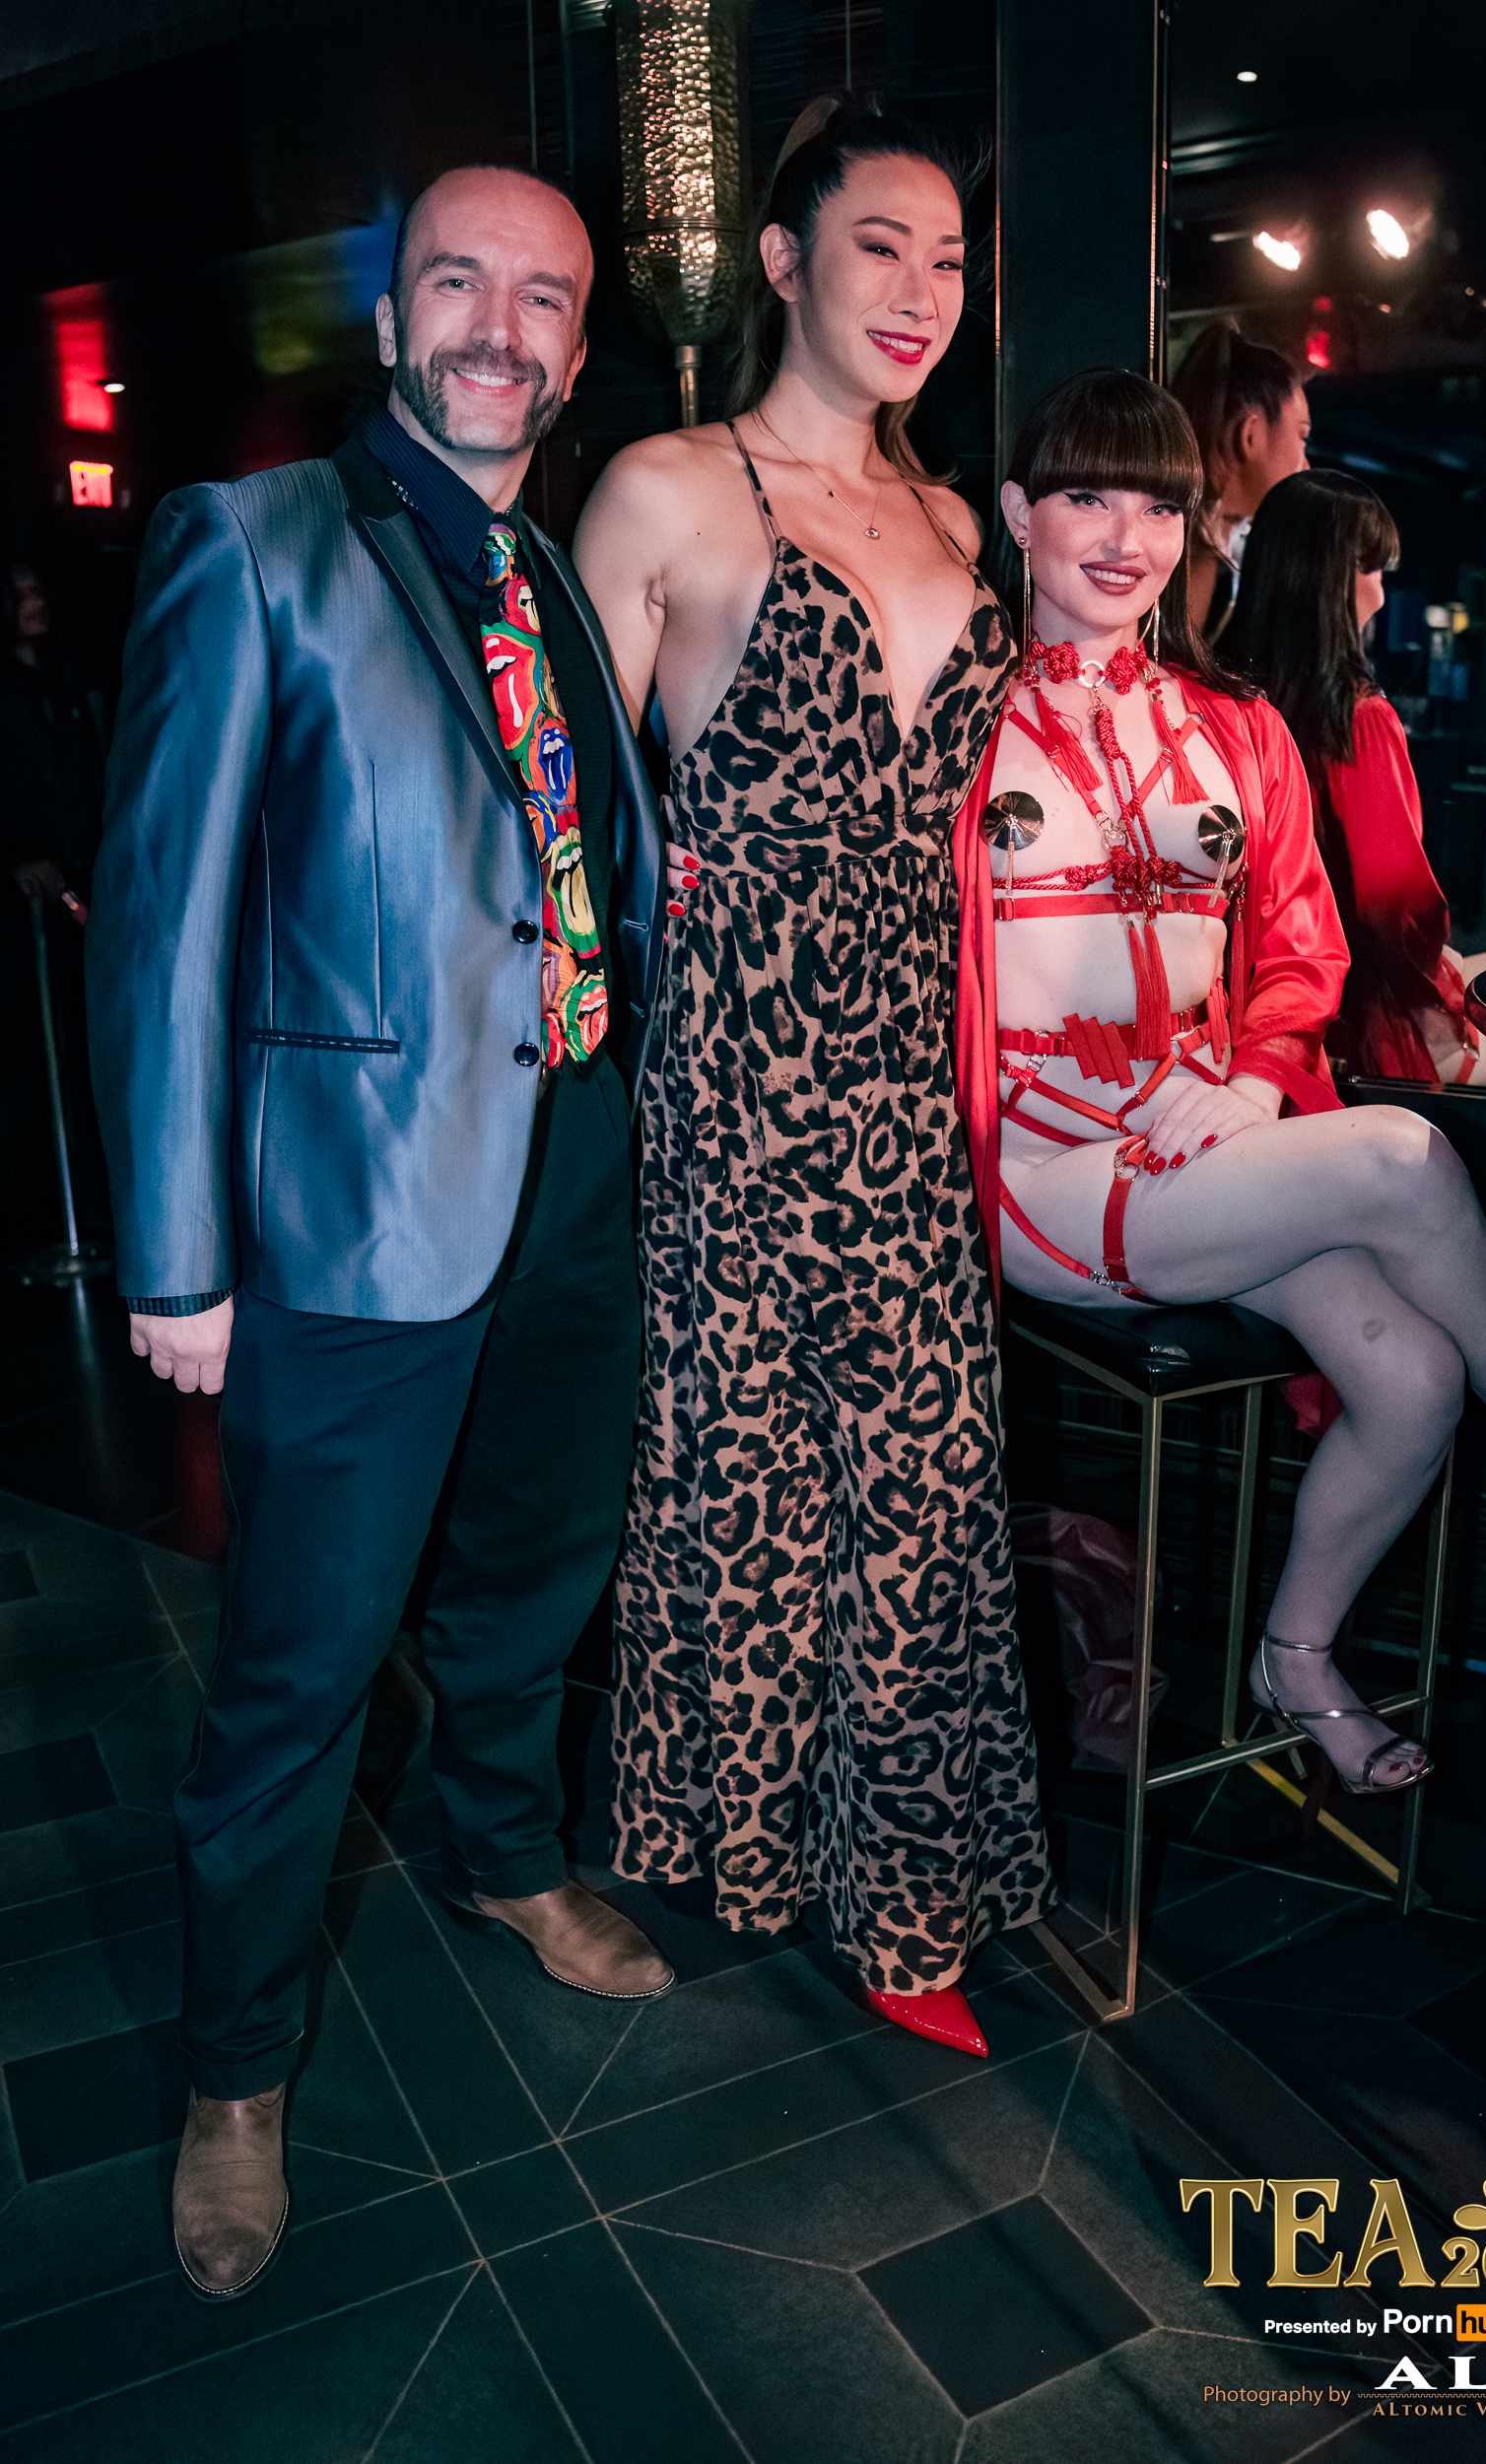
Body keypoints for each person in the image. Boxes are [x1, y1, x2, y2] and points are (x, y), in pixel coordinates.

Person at [87, 164, 670, 2305]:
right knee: (301, 1664)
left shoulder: (551, 573)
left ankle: (503, 1850)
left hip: (578, 1166)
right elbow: (158, 924)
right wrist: (176, 1258)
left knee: (534, 1572)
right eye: (459, 283)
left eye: (543, 297)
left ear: (579, 343)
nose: (500, 328)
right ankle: (236, 2071)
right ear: (392, 314)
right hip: (350, 1215)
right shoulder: (253, 545)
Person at [952, 367, 1486, 1808]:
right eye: (1085, 497)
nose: (1124, 537)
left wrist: (1256, 1077)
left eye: (1158, 507)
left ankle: (1297, 1658)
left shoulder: (1236, 726)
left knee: (1413, 1377)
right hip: (1034, 1168)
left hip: (1206, 1149)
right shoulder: (951, 722)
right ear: (1016, 512)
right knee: (1401, 1158)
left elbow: (1304, 945)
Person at [573, 95, 1051, 2062]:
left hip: (910, 1079)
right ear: (781, 261)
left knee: (924, 1489)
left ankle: (901, 1897)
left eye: (949, 260)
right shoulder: (669, 490)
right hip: (734, 1076)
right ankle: (749, 1851)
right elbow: (562, 832)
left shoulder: (952, 522)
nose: (922, 290)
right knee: (753, 1481)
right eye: (880, 246)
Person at [1220, 468, 1486, 1088]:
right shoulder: (1358, 720)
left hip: (1250, 1010)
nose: (1380, 591)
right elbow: (1396, 911)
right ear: (1332, 579)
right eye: (1372, 569)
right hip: (1357, 1016)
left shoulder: (1216, 702)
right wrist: (1434, 978)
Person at [0, 562, 108, 1249]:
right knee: (29, 1058)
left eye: (41, 589)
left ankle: (84, 1203)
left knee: (80, 1044)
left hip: (77, 896)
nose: (34, 602)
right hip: (22, 917)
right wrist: (16, 860)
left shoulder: (64, 688)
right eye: (21, 593)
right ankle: (37, 1213)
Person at [1171, 317, 1311, 640]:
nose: (1306, 466)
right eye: (1302, 436)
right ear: (1249, 436)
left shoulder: (1190, 542)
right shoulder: (1200, 560)